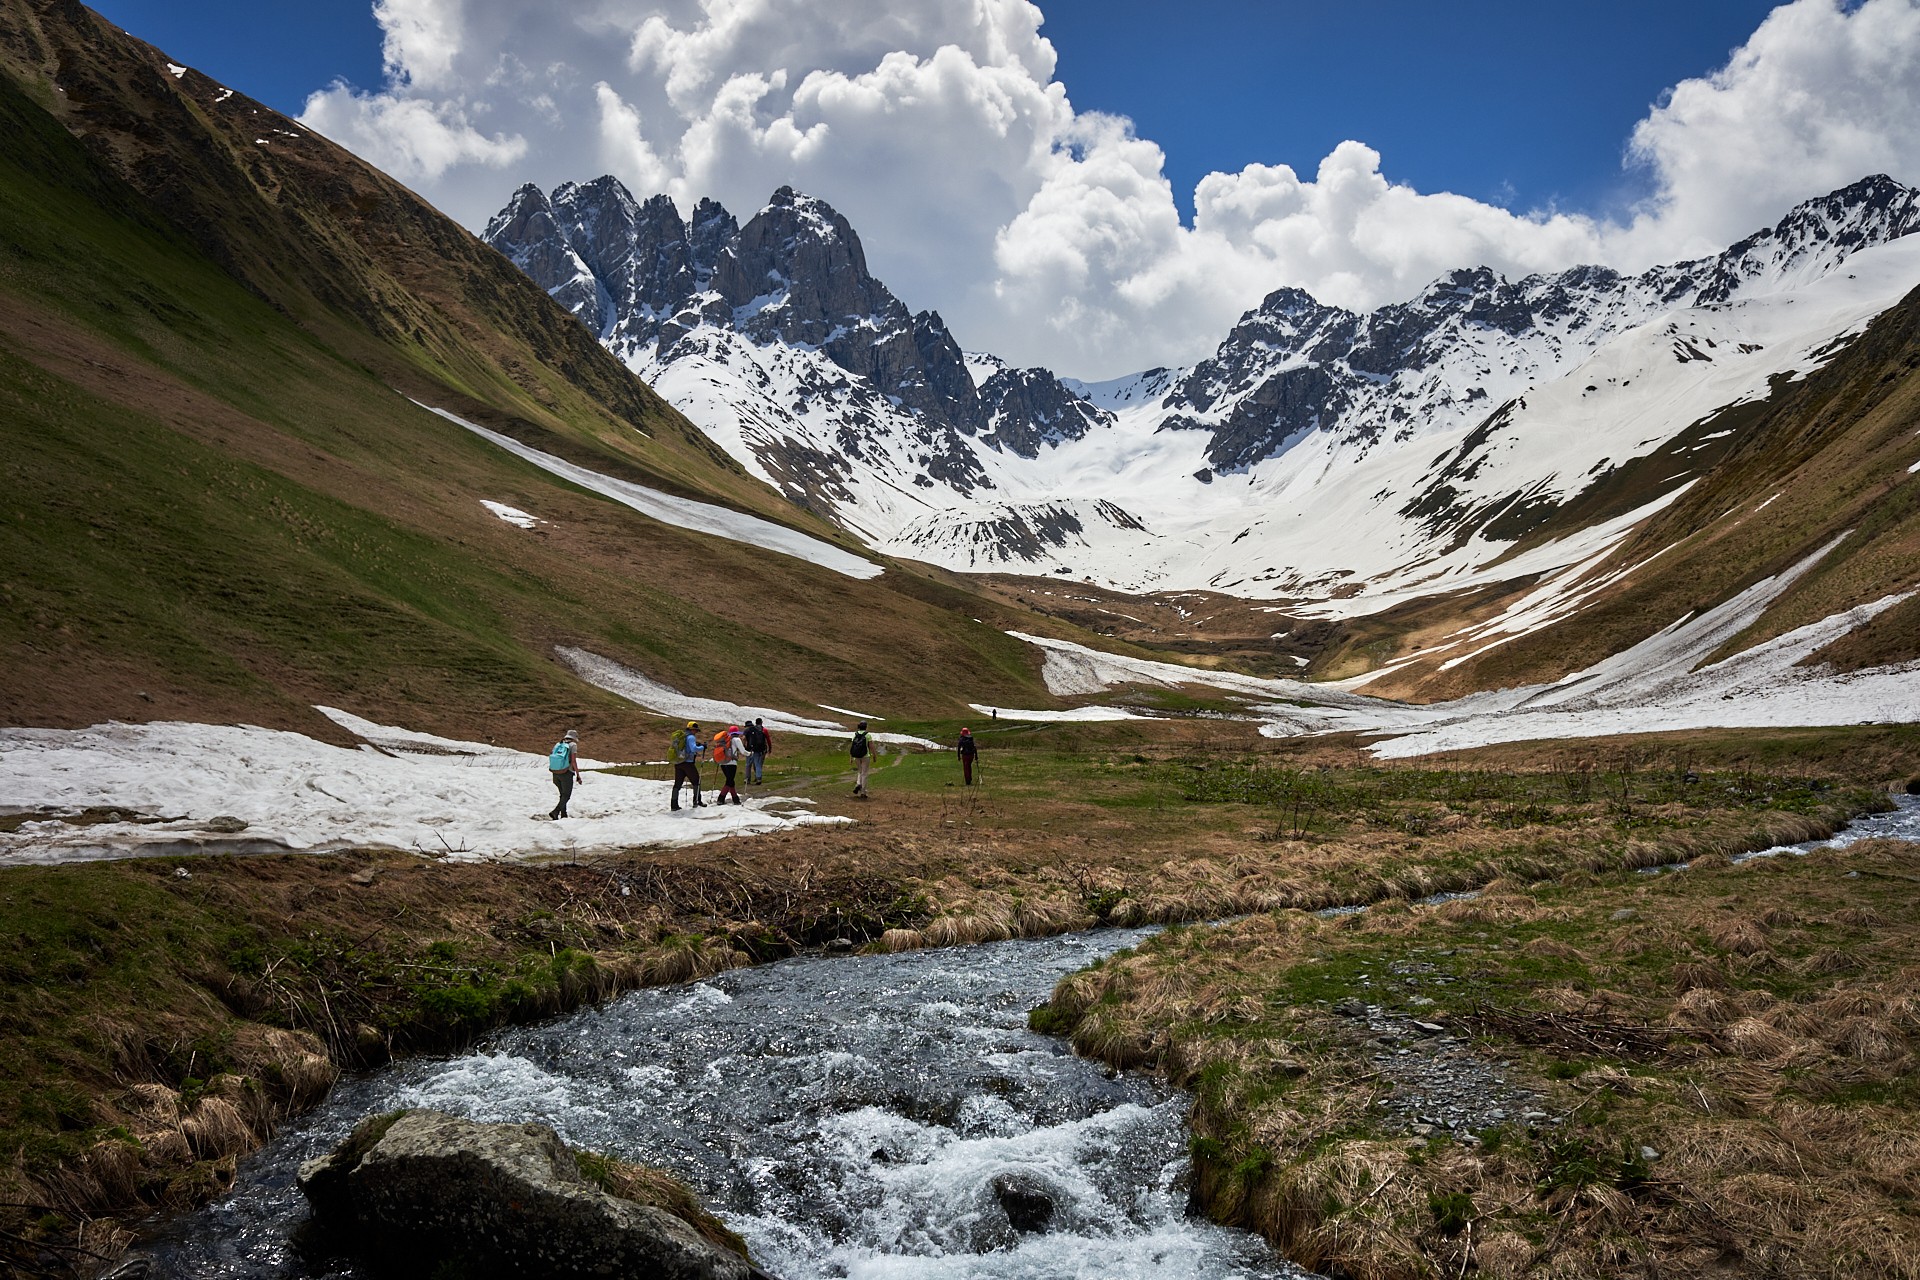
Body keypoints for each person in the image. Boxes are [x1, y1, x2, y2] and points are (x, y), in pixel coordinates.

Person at [547, 729, 581, 819]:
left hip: (556, 772)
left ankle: (564, 814)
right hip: (566, 773)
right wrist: (578, 774)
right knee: (566, 795)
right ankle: (556, 811)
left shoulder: (559, 744)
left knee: (563, 794)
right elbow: (573, 761)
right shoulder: (573, 745)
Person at [671, 720, 704, 811]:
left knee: (677, 784)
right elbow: (693, 749)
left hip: (679, 763)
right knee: (696, 781)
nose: (696, 732)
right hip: (688, 763)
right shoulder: (691, 737)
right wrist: (702, 747)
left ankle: (674, 804)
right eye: (696, 730)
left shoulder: (682, 737)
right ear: (692, 729)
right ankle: (697, 801)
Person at [714, 725, 743, 805]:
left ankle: (736, 799)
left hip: (723, 762)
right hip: (732, 763)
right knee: (729, 781)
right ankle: (721, 798)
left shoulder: (725, 741)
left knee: (730, 781)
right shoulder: (736, 740)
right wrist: (750, 753)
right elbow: (743, 751)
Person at [743, 716, 772, 784]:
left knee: (748, 765)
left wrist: (744, 746)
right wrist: (769, 748)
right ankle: (758, 778)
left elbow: (743, 738)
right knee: (758, 764)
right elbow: (768, 740)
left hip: (749, 749)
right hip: (758, 750)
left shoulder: (747, 730)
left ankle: (747, 779)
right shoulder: (762, 730)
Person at [849, 721, 871, 799]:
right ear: (865, 727)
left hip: (856, 756)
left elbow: (852, 747)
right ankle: (863, 792)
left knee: (860, 771)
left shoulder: (855, 735)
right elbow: (871, 746)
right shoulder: (868, 735)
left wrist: (851, 757)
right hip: (865, 756)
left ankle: (858, 784)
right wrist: (874, 755)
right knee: (864, 774)